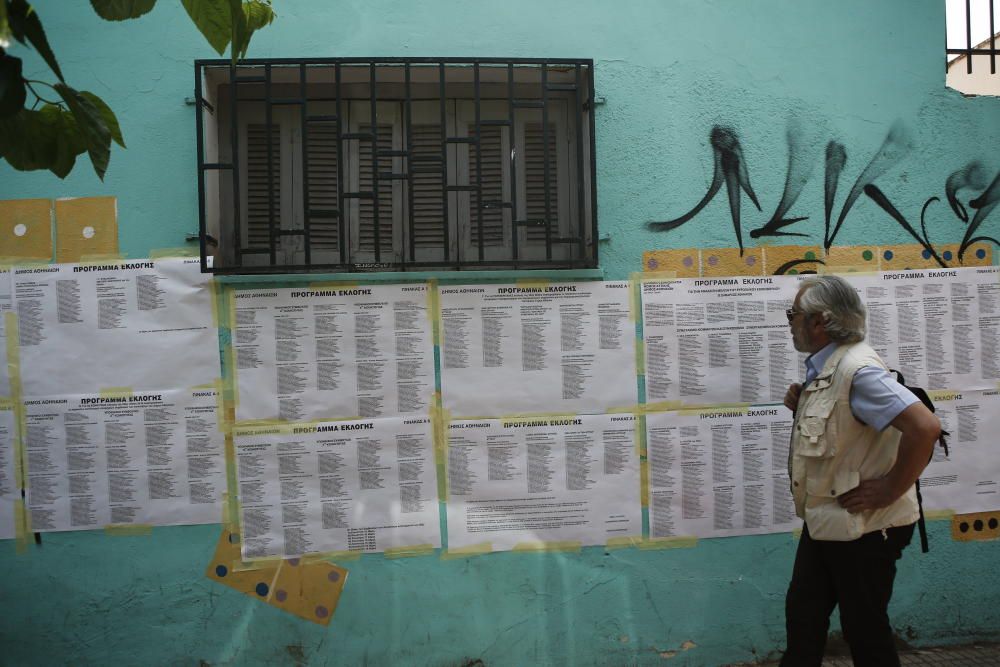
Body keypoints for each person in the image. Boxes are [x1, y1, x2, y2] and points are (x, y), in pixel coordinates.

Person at [780, 275, 941, 667]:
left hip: (865, 527)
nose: (789, 322)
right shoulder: (828, 367)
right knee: (804, 618)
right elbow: (845, 431)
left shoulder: (858, 370)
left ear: (819, 322)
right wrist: (802, 405)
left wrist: (890, 489)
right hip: (826, 517)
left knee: (864, 629)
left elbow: (925, 428)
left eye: (793, 314)